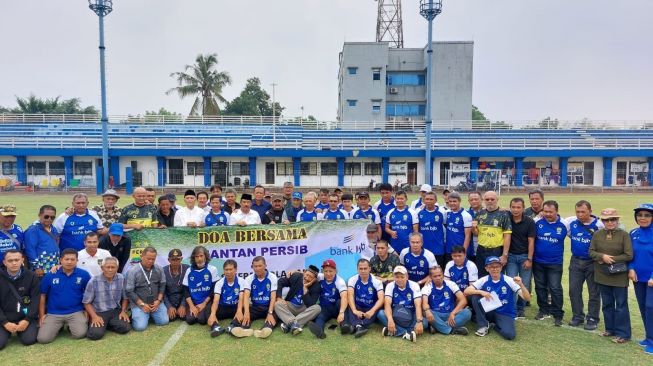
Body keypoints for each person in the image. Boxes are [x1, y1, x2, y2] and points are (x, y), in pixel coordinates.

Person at [589, 208, 633, 344]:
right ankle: (610, 329)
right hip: (602, 274)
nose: (610, 222)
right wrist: (602, 256)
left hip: (619, 276)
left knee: (621, 305)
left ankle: (623, 334)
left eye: (613, 219)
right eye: (606, 220)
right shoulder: (597, 234)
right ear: (602, 221)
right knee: (607, 304)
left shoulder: (624, 235)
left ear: (617, 220)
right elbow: (591, 251)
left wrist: (611, 259)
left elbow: (628, 255)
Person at [464, 256, 531, 340]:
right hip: (489, 310)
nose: (494, 269)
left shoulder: (509, 280)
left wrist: (521, 284)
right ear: (486, 268)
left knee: (509, 335)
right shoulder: (484, 280)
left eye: (497, 266)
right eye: (491, 267)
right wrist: (481, 292)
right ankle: (483, 326)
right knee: (475, 297)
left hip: (504, 313)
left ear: (501, 267)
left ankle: (495, 325)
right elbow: (466, 291)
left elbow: (527, 298)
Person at [37, 248, 91, 343]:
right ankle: (59, 326)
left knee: (80, 334)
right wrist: (42, 315)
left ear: (77, 261)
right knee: (43, 339)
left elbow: (89, 294)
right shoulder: (50, 275)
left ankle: (71, 325)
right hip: (54, 313)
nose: (69, 262)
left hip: (75, 311)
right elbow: (43, 295)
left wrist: (86, 311)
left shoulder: (84, 275)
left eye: (72, 259)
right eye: (66, 259)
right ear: (60, 260)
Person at [565, 200, 603, 330]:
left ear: (590, 212)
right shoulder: (571, 222)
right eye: (578, 212)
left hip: (592, 263)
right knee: (574, 290)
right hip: (575, 261)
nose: (580, 214)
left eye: (583, 212)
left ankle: (592, 318)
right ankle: (578, 316)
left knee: (594, 292)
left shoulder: (599, 225)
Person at [533, 200, 569, 326]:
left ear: (556, 211)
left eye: (550, 212)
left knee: (555, 288)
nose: (547, 214)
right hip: (538, 261)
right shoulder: (537, 222)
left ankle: (557, 313)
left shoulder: (565, 224)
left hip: (555, 262)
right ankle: (543, 310)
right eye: (545, 211)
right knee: (540, 287)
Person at [82, 257, 131, 340]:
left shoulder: (121, 278)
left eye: (113, 267)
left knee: (125, 328)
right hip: (99, 312)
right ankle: (102, 324)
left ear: (117, 268)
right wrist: (94, 316)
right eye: (108, 267)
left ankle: (107, 324)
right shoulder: (94, 281)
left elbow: (125, 297)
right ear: (102, 268)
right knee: (95, 335)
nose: (110, 270)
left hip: (115, 310)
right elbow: (86, 302)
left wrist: (123, 311)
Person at [230, 256, 278, 339]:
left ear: (265, 266)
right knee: (243, 311)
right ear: (252, 267)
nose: (257, 268)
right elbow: (246, 297)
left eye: (260, 266)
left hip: (268, 307)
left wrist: (270, 313)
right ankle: (242, 330)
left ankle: (265, 330)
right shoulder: (249, 279)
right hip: (256, 307)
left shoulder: (272, 277)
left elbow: (273, 297)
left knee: (276, 312)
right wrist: (246, 313)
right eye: (255, 266)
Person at [0, 250, 39, 350]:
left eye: (17, 260)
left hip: (24, 317)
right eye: (10, 260)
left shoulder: (31, 276)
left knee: (29, 340)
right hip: (4, 318)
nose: (14, 263)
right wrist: (4, 322)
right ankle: (6, 332)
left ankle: (20, 330)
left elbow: (35, 300)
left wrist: (27, 320)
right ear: (4, 262)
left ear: (22, 260)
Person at [505, 197, 535, 318]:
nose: (516, 210)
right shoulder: (506, 218)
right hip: (511, 257)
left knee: (524, 284)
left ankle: (521, 308)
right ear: (510, 207)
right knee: (512, 283)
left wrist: (529, 259)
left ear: (523, 208)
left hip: (524, 257)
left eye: (518, 207)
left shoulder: (529, 222)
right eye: (513, 207)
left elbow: (531, 242)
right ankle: (512, 308)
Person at [125, 246, 168, 331]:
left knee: (164, 321)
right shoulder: (132, 271)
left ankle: (149, 314)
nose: (151, 261)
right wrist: (142, 304)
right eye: (148, 259)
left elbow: (162, 285)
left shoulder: (159, 269)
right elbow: (129, 291)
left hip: (156, 302)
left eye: (153, 259)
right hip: (140, 303)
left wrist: (158, 301)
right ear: (142, 256)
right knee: (140, 327)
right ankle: (139, 315)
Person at [629, 203, 653, 354]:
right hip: (638, 278)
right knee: (644, 307)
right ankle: (648, 336)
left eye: (647, 215)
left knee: (651, 307)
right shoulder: (633, 233)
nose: (643, 218)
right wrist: (631, 268)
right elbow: (630, 253)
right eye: (640, 215)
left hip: (652, 279)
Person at [422, 266, 471, 335]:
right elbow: (424, 303)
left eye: (439, 275)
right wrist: (427, 311)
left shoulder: (451, 284)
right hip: (436, 314)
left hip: (450, 314)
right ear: (431, 277)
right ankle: (451, 330)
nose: (438, 278)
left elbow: (463, 300)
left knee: (467, 312)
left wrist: (453, 313)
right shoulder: (427, 287)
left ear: (443, 275)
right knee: (426, 312)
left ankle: (437, 327)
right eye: (435, 276)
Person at [472, 191, 511, 277]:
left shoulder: (504, 215)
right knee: (481, 276)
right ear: (483, 200)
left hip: (496, 251)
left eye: (492, 199)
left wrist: (504, 255)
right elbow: (476, 233)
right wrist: (473, 228)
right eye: (487, 199)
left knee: (496, 276)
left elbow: (507, 236)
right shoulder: (479, 214)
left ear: (497, 199)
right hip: (481, 250)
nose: (490, 201)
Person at [378, 265, 423, 342]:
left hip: (410, 314)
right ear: (394, 277)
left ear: (407, 276)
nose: (399, 279)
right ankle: (406, 333)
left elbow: (418, 305)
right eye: (397, 277)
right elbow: (387, 304)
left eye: (402, 277)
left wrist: (419, 322)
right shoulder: (390, 286)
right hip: (395, 315)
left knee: (424, 323)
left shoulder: (414, 285)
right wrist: (390, 320)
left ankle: (392, 331)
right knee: (380, 314)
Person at [307, 259, 348, 339]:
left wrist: (341, 312)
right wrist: (294, 272)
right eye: (326, 271)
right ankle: (320, 332)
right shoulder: (320, 277)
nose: (328, 274)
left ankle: (344, 326)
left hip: (336, 307)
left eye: (331, 271)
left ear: (335, 271)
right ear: (322, 271)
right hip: (324, 307)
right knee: (320, 317)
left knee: (340, 302)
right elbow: (307, 274)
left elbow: (344, 297)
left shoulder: (340, 281)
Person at [275, 265, 321, 335]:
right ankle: (295, 324)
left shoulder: (316, 286)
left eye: (310, 277)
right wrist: (279, 297)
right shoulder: (296, 276)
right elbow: (281, 281)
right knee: (277, 304)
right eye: (307, 275)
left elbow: (310, 305)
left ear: (314, 279)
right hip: (290, 306)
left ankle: (289, 324)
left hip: (303, 309)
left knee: (317, 308)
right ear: (304, 272)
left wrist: (305, 289)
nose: (307, 278)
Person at [344, 259, 384, 338]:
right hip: (358, 305)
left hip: (370, 307)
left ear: (369, 269)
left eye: (365, 268)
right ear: (357, 269)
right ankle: (359, 327)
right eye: (360, 269)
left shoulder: (376, 281)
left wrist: (372, 311)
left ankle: (355, 325)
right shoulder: (352, 279)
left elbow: (381, 298)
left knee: (376, 309)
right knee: (350, 305)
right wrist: (355, 310)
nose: (363, 271)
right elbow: (350, 295)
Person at [183, 246, 219, 325]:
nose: (199, 259)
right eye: (197, 256)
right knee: (190, 320)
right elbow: (185, 290)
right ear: (194, 258)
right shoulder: (189, 271)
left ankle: (204, 311)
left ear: (206, 256)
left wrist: (204, 303)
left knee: (202, 320)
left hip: (207, 300)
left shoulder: (212, 269)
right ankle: (195, 309)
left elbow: (214, 290)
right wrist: (192, 306)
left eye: (201, 256)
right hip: (193, 301)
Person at [207, 260, 243, 337]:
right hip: (223, 308)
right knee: (208, 311)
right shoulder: (219, 283)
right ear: (224, 270)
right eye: (226, 270)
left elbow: (241, 299)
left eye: (231, 269)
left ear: (235, 270)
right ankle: (216, 327)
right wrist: (213, 314)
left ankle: (232, 326)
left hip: (235, 308)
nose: (228, 272)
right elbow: (216, 300)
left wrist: (239, 310)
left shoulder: (241, 281)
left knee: (245, 310)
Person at [24, 205, 60, 277]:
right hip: (41, 269)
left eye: (52, 217)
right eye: (46, 216)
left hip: (54, 266)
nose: (49, 219)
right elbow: (30, 249)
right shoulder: (33, 230)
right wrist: (36, 267)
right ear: (39, 215)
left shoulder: (53, 229)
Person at [417, 191, 447, 265]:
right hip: (423, 248)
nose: (429, 201)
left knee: (437, 272)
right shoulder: (418, 212)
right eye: (427, 199)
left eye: (431, 199)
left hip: (438, 248)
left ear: (436, 201)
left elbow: (446, 226)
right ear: (424, 200)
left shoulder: (442, 212)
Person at [445, 192, 473, 264]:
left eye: (454, 201)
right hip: (449, 250)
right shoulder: (447, 213)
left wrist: (464, 252)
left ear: (459, 201)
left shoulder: (466, 215)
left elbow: (468, 236)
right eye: (450, 201)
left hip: (460, 250)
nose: (452, 203)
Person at [163, 249, 189, 322]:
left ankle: (181, 309)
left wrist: (183, 305)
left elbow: (188, 289)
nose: (175, 262)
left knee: (186, 317)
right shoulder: (163, 271)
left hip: (183, 299)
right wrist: (169, 306)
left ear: (181, 259)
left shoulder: (187, 269)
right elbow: (162, 292)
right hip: (170, 301)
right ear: (169, 260)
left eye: (177, 259)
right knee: (170, 318)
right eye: (173, 259)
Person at [466, 191, 483, 261]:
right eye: (471, 200)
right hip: (469, 250)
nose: (474, 201)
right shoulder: (465, 214)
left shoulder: (487, 213)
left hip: (483, 250)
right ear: (468, 201)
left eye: (476, 199)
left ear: (481, 199)